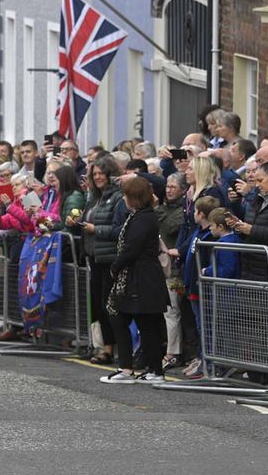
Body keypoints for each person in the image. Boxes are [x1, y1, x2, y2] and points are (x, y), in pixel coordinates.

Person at [100, 177, 169, 384]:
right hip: (138, 277)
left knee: (145, 324)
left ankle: (147, 370)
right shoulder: (140, 216)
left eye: (127, 194)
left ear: (135, 197)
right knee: (129, 320)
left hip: (142, 278)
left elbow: (132, 248)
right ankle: (136, 368)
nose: (123, 198)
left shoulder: (143, 218)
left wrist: (115, 266)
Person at [68, 155, 125, 364]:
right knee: (98, 305)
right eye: (95, 174)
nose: (98, 177)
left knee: (109, 305)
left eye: (102, 174)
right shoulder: (94, 197)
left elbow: (121, 228)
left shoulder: (118, 197)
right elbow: (87, 221)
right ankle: (103, 345)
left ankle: (113, 349)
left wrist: (96, 229)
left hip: (110, 257)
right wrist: (76, 223)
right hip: (94, 256)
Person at [179, 195, 221, 378]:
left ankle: (209, 362)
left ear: (201, 214)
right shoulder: (197, 232)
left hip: (202, 288)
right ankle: (201, 358)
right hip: (192, 286)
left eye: (195, 211)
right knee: (198, 325)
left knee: (206, 326)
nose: (192, 214)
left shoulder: (208, 237)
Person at [226, 160, 268, 281]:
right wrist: (239, 225)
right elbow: (250, 227)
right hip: (250, 269)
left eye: (260, 180)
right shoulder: (257, 199)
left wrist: (251, 230)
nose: (256, 185)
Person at [155, 172, 187, 371]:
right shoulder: (162, 208)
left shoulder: (182, 211)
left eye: (173, 186)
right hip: (158, 265)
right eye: (167, 186)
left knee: (172, 311)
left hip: (174, 269)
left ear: (182, 190)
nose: (168, 189)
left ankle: (173, 352)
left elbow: (169, 228)